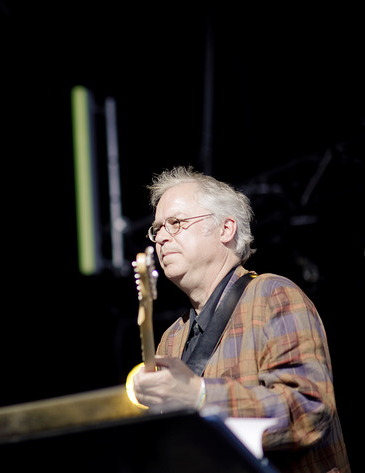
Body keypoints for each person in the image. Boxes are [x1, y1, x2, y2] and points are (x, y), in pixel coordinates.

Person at [131, 166, 350, 473]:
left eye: (176, 223)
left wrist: (200, 395)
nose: (162, 238)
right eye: (157, 229)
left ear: (226, 229)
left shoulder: (274, 295)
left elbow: (309, 411)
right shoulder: (171, 337)